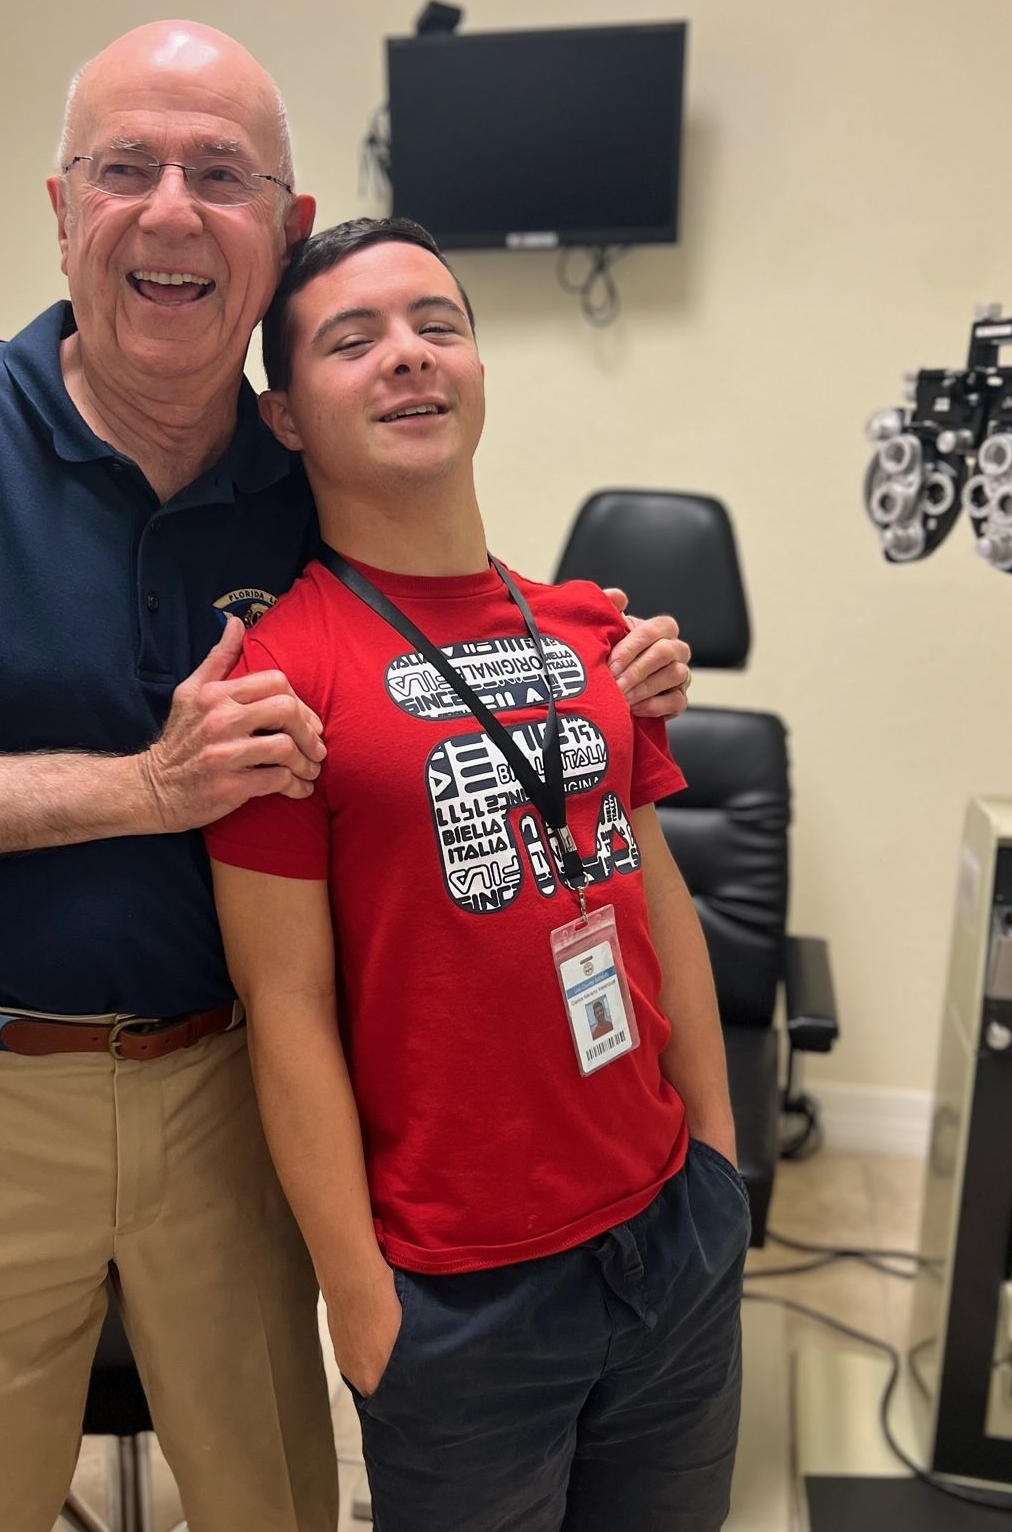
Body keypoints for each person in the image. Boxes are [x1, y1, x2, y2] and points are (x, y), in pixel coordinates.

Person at [0, 24, 694, 1532]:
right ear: (63, 210)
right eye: (127, 168)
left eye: (222, 175)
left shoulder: (296, 467)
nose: (171, 209)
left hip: (230, 1091)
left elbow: (441, 621)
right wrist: (139, 787)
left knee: (277, 1502)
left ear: (283, 230)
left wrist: (604, 665)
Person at [206, 217, 748, 1532]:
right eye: (355, 339)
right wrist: (363, 1297)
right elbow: (284, 1005)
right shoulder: (276, 676)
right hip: (460, 1293)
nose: (408, 357)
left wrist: (720, 1160)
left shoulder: (594, 631)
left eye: (435, 324)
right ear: (284, 416)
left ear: (479, 367)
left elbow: (649, 887)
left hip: (669, 1231)